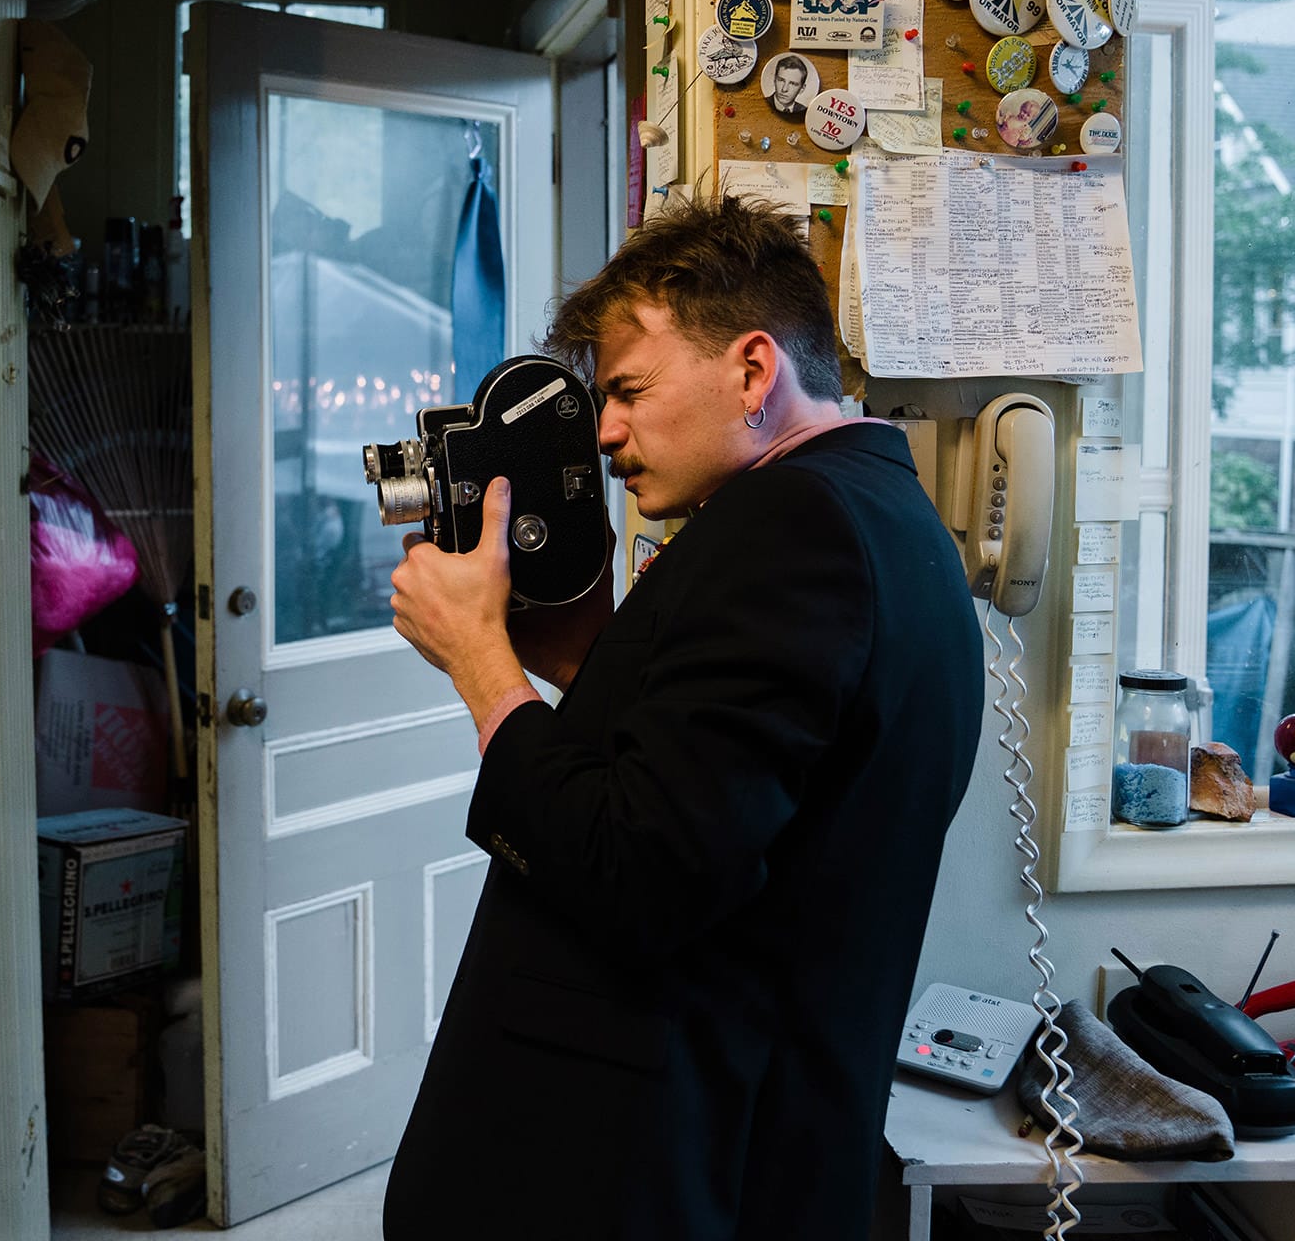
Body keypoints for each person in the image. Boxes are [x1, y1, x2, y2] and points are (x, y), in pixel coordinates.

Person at [381, 195, 982, 1240]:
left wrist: (481, 668)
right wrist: (583, 660)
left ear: (752, 371)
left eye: (626, 390)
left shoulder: (790, 529)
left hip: (658, 1166)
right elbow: (719, 787)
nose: (604, 429)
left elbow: (640, 873)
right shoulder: (875, 513)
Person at [764, 54, 811, 120]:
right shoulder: (762, 104)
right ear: (774, 80)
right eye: (781, 80)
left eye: (792, 84)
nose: (784, 89)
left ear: (802, 89)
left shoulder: (804, 111)